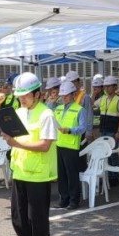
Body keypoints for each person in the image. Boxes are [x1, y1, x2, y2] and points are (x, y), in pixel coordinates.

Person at [1, 72, 57, 236]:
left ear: (37, 94)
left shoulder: (46, 114)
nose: (21, 98)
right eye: (19, 96)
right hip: (20, 171)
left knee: (37, 219)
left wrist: (16, 142)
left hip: (38, 174)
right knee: (19, 217)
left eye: (25, 95)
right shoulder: (20, 111)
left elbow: (44, 145)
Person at [54, 80, 88, 210]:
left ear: (73, 95)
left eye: (66, 95)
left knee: (72, 175)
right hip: (60, 145)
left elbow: (83, 128)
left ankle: (74, 200)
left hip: (72, 146)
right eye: (62, 96)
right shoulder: (58, 108)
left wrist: (70, 130)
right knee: (61, 175)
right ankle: (64, 199)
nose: (64, 98)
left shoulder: (80, 110)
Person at [98, 75, 119, 167]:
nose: (107, 88)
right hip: (103, 130)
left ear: (115, 87)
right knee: (105, 153)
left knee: (113, 153)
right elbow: (91, 103)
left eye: (109, 86)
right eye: (105, 86)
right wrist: (94, 93)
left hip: (112, 131)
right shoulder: (103, 98)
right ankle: (109, 174)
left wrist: (118, 131)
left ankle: (115, 175)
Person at [64, 70, 94, 144]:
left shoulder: (85, 97)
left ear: (78, 82)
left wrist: (88, 131)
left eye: (73, 82)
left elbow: (89, 115)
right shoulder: (66, 97)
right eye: (69, 83)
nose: (71, 85)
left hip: (81, 132)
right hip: (69, 131)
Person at [91, 74, 105, 139]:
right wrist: (93, 95)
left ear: (102, 87)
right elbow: (90, 106)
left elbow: (94, 106)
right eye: (94, 87)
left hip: (101, 125)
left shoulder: (104, 96)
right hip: (93, 124)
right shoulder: (93, 95)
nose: (95, 89)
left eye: (97, 87)